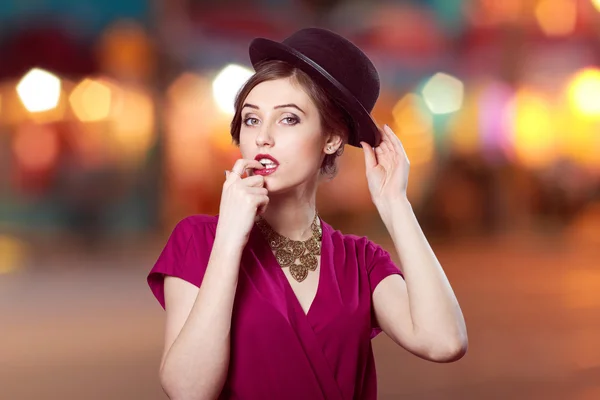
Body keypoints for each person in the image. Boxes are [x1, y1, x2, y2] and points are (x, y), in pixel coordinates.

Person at [147, 27, 467, 400]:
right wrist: (230, 238)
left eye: (288, 119)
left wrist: (395, 204)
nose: (263, 137)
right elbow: (188, 391)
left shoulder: (360, 262)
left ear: (331, 138)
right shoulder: (199, 239)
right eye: (252, 119)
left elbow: (445, 342)